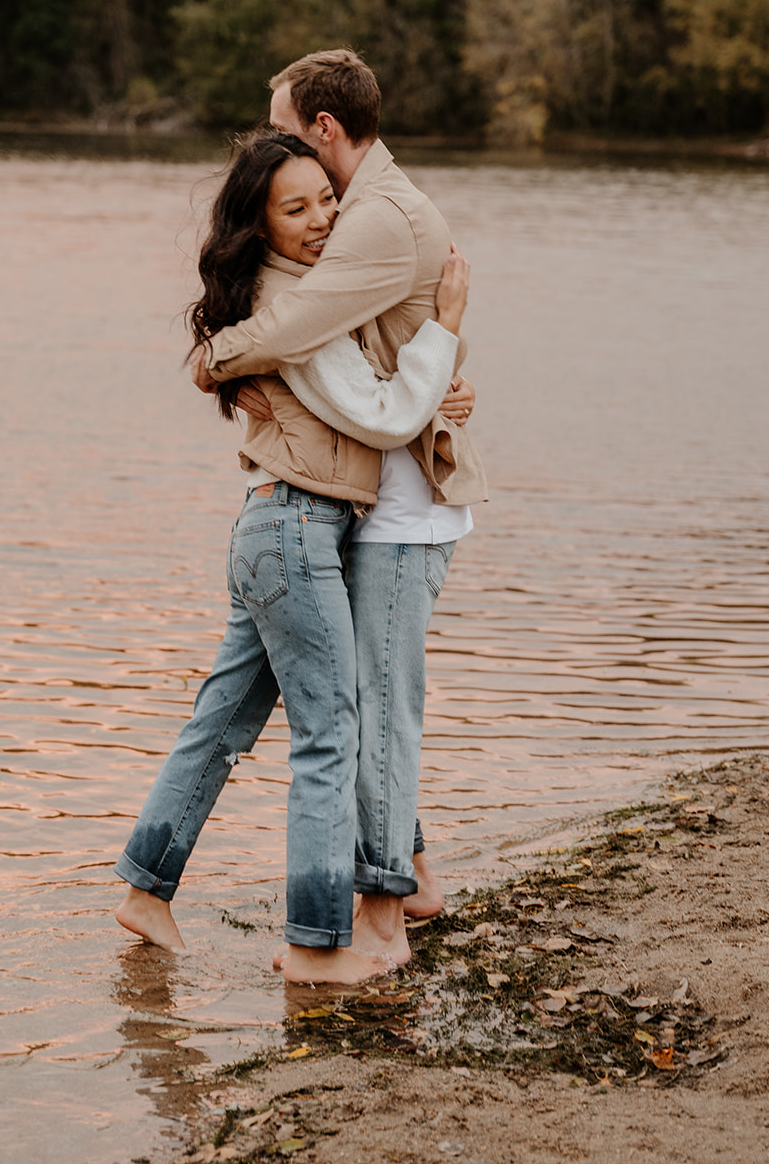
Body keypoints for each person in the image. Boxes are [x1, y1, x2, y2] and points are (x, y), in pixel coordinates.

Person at [115, 131, 469, 983]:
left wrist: (447, 381)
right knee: (330, 732)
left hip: (279, 532)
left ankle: (145, 889)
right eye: (295, 208)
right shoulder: (291, 309)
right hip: (297, 532)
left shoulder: (306, 298)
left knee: (225, 720)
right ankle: (316, 943)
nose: (320, 219)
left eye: (325, 199)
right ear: (260, 225)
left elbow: (386, 391)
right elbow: (384, 417)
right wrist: (445, 328)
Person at [191, 49, 488, 967]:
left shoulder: (374, 220)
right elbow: (364, 349)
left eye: (282, 124)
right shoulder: (361, 208)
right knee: (364, 703)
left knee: (379, 713)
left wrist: (214, 359)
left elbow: (293, 329)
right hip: (379, 501)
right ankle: (417, 875)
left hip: (403, 508)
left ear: (321, 128)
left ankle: (383, 921)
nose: (276, 144)